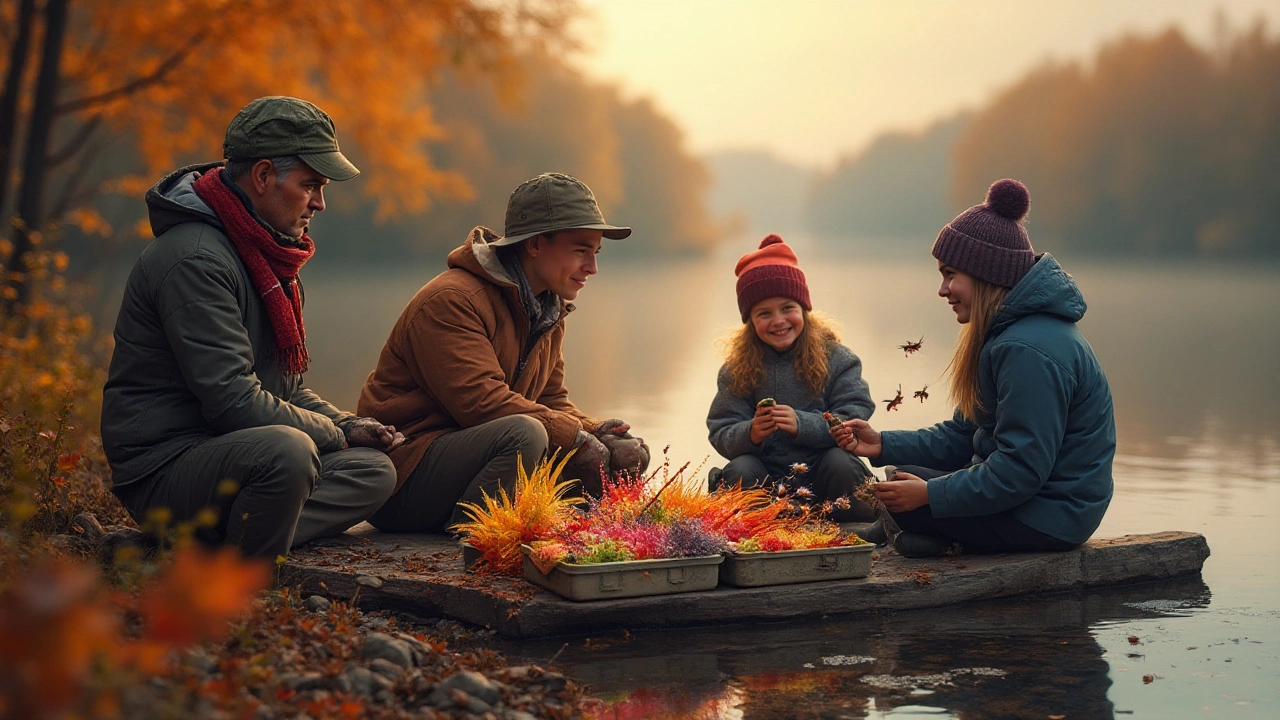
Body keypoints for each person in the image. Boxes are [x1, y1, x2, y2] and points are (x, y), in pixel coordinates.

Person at [101, 96, 402, 560]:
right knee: (289, 451)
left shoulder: (267, 257)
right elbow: (234, 402)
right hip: (167, 467)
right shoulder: (196, 258)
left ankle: (213, 545)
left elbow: (285, 390)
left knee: (372, 470)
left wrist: (351, 425)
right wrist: (334, 434)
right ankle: (244, 576)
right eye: (310, 186)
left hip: (234, 452)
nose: (320, 203)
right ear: (263, 177)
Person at [834, 179, 1115, 557]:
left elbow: (1020, 472)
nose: (942, 289)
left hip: (1051, 518)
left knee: (908, 498)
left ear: (986, 274)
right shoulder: (1007, 334)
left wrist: (931, 495)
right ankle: (913, 535)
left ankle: (911, 533)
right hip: (1034, 502)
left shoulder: (1026, 349)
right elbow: (964, 435)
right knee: (901, 480)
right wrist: (882, 443)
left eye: (950, 274)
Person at [357, 172, 647, 533]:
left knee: (622, 452)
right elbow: (482, 403)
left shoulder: (547, 307)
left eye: (596, 252)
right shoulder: (453, 300)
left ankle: (597, 531)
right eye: (580, 250)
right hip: (404, 477)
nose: (592, 267)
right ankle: (476, 536)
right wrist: (574, 436)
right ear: (536, 245)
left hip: (477, 463)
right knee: (526, 434)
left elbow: (552, 399)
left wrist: (595, 430)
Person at [707, 234, 878, 523]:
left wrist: (803, 424)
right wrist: (752, 432)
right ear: (750, 321)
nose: (778, 320)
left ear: (804, 309)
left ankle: (857, 529)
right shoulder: (736, 368)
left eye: (788, 308)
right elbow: (721, 430)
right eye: (764, 313)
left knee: (842, 463)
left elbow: (854, 416)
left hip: (824, 475)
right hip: (767, 479)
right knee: (740, 469)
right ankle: (761, 532)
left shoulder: (837, 358)